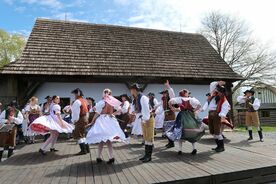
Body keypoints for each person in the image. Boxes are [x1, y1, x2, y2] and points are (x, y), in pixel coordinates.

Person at [86, 89, 126, 164]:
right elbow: (121, 110)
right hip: (110, 120)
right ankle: (108, 157)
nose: (105, 94)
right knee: (108, 140)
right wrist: (113, 114)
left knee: (104, 139)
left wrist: (92, 121)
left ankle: (101, 157)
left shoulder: (101, 102)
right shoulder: (113, 102)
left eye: (105, 93)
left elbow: (97, 113)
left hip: (102, 120)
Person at [166, 89, 203, 155]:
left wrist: (172, 108)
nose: (188, 93)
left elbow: (170, 102)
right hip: (190, 116)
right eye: (188, 92)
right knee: (193, 131)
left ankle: (180, 150)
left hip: (182, 116)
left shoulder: (178, 99)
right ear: (185, 93)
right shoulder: (192, 99)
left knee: (180, 131)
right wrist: (194, 110)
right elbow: (199, 105)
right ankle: (194, 148)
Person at [130, 83, 155, 163]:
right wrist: (135, 112)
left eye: (131, 89)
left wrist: (144, 120)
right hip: (143, 119)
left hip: (148, 119)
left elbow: (146, 111)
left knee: (149, 138)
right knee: (146, 138)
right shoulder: (136, 98)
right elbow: (139, 110)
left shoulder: (143, 98)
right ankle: (146, 155)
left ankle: (149, 156)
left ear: (134, 90)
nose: (131, 91)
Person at [205, 81, 230, 152]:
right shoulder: (213, 96)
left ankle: (221, 147)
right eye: (217, 90)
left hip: (216, 115)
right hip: (210, 114)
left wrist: (222, 115)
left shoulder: (223, 100)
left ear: (222, 93)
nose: (217, 91)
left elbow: (226, 107)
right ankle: (218, 146)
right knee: (212, 131)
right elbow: (212, 84)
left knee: (217, 132)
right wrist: (218, 83)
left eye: (219, 91)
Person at [71, 88, 90, 155]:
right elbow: (87, 111)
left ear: (77, 94)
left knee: (78, 134)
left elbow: (75, 113)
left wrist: (74, 121)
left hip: (80, 119)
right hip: (85, 118)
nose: (74, 96)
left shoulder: (77, 101)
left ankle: (83, 150)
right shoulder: (85, 101)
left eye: (75, 94)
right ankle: (87, 149)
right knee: (83, 134)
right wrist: (87, 119)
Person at [159, 80, 176, 148]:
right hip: (166, 114)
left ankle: (171, 143)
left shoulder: (171, 98)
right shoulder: (164, 99)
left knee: (170, 128)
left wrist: (168, 86)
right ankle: (170, 142)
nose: (164, 94)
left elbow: (172, 93)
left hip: (171, 114)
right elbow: (159, 104)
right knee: (167, 129)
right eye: (163, 93)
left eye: (165, 93)